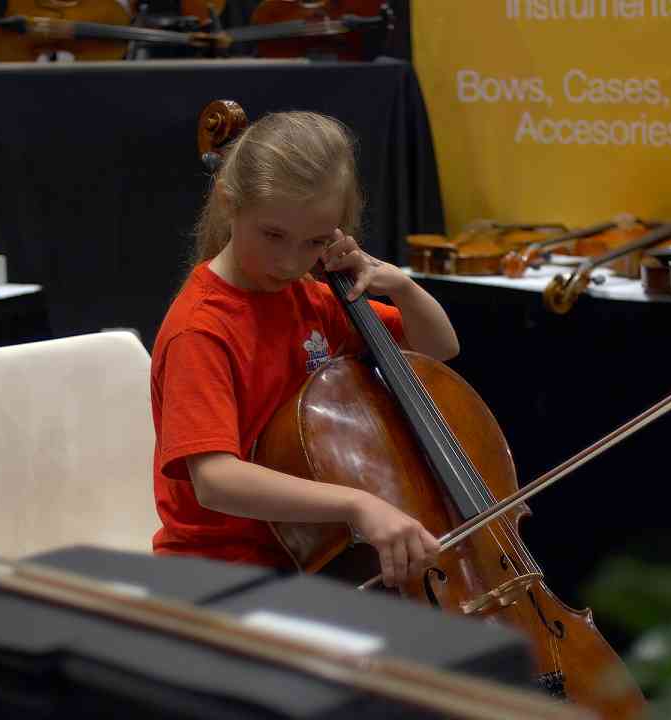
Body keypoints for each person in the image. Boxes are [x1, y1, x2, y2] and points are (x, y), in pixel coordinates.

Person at [151, 110, 460, 589]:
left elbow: (438, 348)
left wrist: (398, 284)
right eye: (273, 235)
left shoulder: (312, 298)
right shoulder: (201, 329)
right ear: (230, 203)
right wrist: (357, 503)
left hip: (314, 558)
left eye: (313, 242)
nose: (290, 261)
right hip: (220, 570)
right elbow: (215, 480)